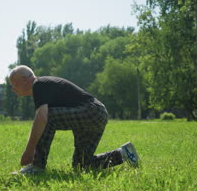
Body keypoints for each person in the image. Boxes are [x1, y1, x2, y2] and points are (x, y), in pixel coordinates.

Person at [9, 65, 139, 174]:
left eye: (14, 84)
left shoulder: (38, 85)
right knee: (81, 165)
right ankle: (124, 154)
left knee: (49, 117)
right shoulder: (42, 87)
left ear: (25, 80)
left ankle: (37, 166)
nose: (13, 89)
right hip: (97, 114)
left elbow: (42, 118)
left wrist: (29, 150)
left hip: (91, 111)